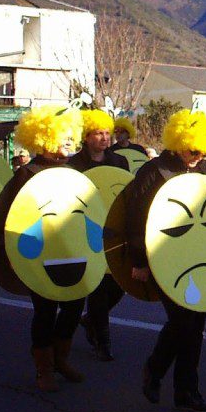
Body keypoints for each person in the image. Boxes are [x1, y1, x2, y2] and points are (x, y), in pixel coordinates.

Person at [127, 109, 206, 412]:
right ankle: (154, 371)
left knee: (196, 325)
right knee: (182, 321)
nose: (197, 156)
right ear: (178, 140)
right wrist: (139, 261)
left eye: (203, 151)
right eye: (193, 150)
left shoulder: (204, 171)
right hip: (162, 256)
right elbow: (135, 218)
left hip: (198, 258)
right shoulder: (153, 172)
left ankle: (186, 391)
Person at [0, 104, 87, 391]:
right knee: (45, 311)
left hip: (72, 250)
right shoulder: (26, 174)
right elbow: (7, 218)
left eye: (72, 136)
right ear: (45, 138)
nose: (69, 142)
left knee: (73, 307)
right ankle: (43, 368)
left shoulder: (75, 172)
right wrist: (10, 253)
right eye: (63, 136)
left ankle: (61, 359)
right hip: (38, 254)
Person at [70, 109, 130, 361]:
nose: (105, 138)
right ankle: (102, 341)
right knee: (96, 285)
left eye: (107, 133)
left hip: (115, 230)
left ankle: (90, 320)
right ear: (86, 136)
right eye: (98, 133)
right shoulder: (74, 165)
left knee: (118, 284)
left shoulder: (120, 162)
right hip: (87, 230)